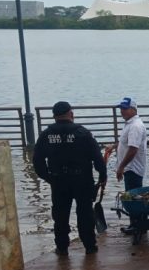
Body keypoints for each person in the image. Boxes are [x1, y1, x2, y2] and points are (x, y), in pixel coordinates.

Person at [32, 101, 107, 256]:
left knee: (60, 216)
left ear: (54, 116)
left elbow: (37, 161)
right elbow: (97, 158)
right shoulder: (83, 133)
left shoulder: (46, 135)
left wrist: (49, 178)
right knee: (85, 214)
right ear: (71, 114)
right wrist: (102, 176)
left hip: (58, 181)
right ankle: (90, 246)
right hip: (82, 180)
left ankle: (62, 248)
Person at [114, 97, 147, 233]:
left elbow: (133, 149)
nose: (122, 111)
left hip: (133, 168)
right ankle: (137, 224)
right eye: (121, 108)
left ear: (133, 109)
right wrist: (114, 146)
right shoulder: (130, 124)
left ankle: (138, 226)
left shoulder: (135, 126)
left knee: (133, 198)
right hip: (130, 168)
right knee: (133, 196)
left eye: (125, 108)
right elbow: (126, 143)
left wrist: (121, 167)